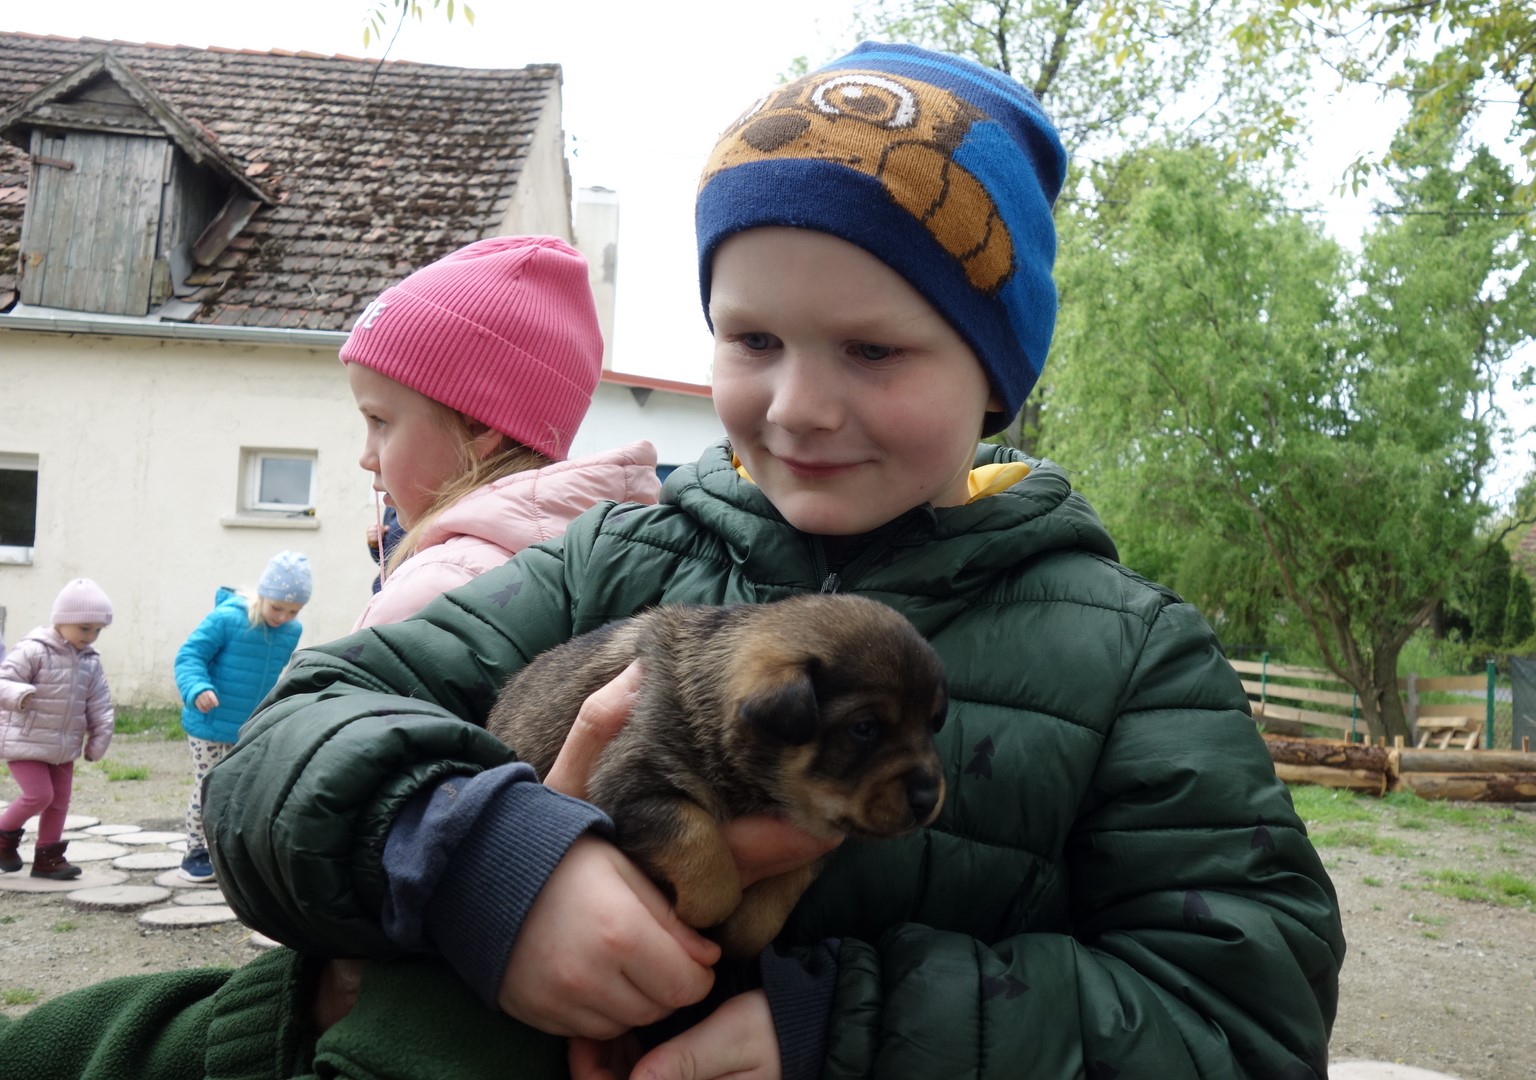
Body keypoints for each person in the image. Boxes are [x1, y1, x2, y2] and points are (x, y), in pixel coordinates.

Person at [0, 42, 1345, 1080]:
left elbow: (1247, 1016)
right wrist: (483, 864)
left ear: (995, 377)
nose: (798, 405)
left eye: (873, 349)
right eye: (753, 340)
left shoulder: (1131, 656)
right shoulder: (615, 557)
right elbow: (289, 749)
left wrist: (844, 1035)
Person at [340, 234, 662, 631]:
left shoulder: (434, 594)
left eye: (379, 421)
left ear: (478, 428)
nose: (366, 457)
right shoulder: (604, 561)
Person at [171, 551, 312, 883]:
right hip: (208, 719)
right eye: (276, 607)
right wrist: (197, 688)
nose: (283, 617)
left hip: (246, 726)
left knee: (239, 790)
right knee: (208, 785)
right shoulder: (227, 619)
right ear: (262, 595)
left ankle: (226, 851)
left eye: (293, 611)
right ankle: (195, 851)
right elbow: (189, 656)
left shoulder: (291, 630)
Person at [0, 578, 115, 880]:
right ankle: (3, 837)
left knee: (59, 802)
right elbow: (3, 681)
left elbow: (100, 702)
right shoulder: (33, 650)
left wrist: (100, 736)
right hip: (26, 741)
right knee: (39, 795)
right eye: (84, 628)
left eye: (97, 630)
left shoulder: (91, 661)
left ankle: (47, 857)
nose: (90, 636)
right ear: (61, 620)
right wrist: (19, 694)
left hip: (64, 746)